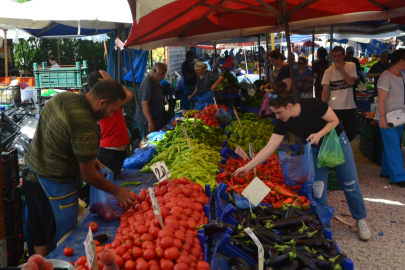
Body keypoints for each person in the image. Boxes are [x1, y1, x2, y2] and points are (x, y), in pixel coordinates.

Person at [234, 82, 370, 241]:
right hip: (314, 149)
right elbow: (269, 148)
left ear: (289, 106)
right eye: (274, 113)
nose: (277, 116)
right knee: (318, 189)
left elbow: (334, 121)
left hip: (336, 143)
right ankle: (324, 223)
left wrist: (319, 134)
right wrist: (248, 167)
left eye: (278, 112)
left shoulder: (314, 104)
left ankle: (360, 219)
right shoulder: (282, 122)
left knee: (349, 183)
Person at [23, 77, 135, 256]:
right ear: (102, 102)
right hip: (54, 187)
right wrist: (118, 191)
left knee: (38, 236)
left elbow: (56, 137)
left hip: (31, 179)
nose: (111, 115)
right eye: (112, 110)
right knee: (59, 244)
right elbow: (88, 175)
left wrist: (86, 158)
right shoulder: (85, 123)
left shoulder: (63, 98)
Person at [87, 71, 133, 177]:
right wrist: (111, 82)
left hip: (114, 151)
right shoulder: (105, 102)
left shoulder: (108, 99)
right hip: (109, 152)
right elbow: (129, 94)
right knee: (109, 187)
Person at [375, 49, 405, 187]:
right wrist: (381, 117)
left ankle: (386, 171)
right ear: (401, 61)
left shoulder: (403, 75)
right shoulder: (385, 76)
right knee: (393, 146)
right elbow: (381, 100)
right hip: (386, 118)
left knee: (392, 145)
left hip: (399, 117)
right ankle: (398, 177)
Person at [321, 46, 357, 142]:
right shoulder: (328, 71)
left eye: (339, 56)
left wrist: (341, 69)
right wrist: (322, 106)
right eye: (334, 56)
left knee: (352, 133)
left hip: (349, 105)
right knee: (333, 133)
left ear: (344, 56)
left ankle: (343, 146)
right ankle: (339, 150)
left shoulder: (351, 65)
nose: (336, 59)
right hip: (335, 106)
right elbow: (324, 90)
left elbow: (351, 82)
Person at [135, 63, 167, 144]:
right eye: (162, 74)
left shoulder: (156, 81)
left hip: (154, 119)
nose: (163, 77)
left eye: (164, 74)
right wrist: (150, 121)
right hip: (146, 121)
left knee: (153, 143)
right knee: (147, 143)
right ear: (154, 71)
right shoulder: (148, 83)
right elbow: (144, 104)